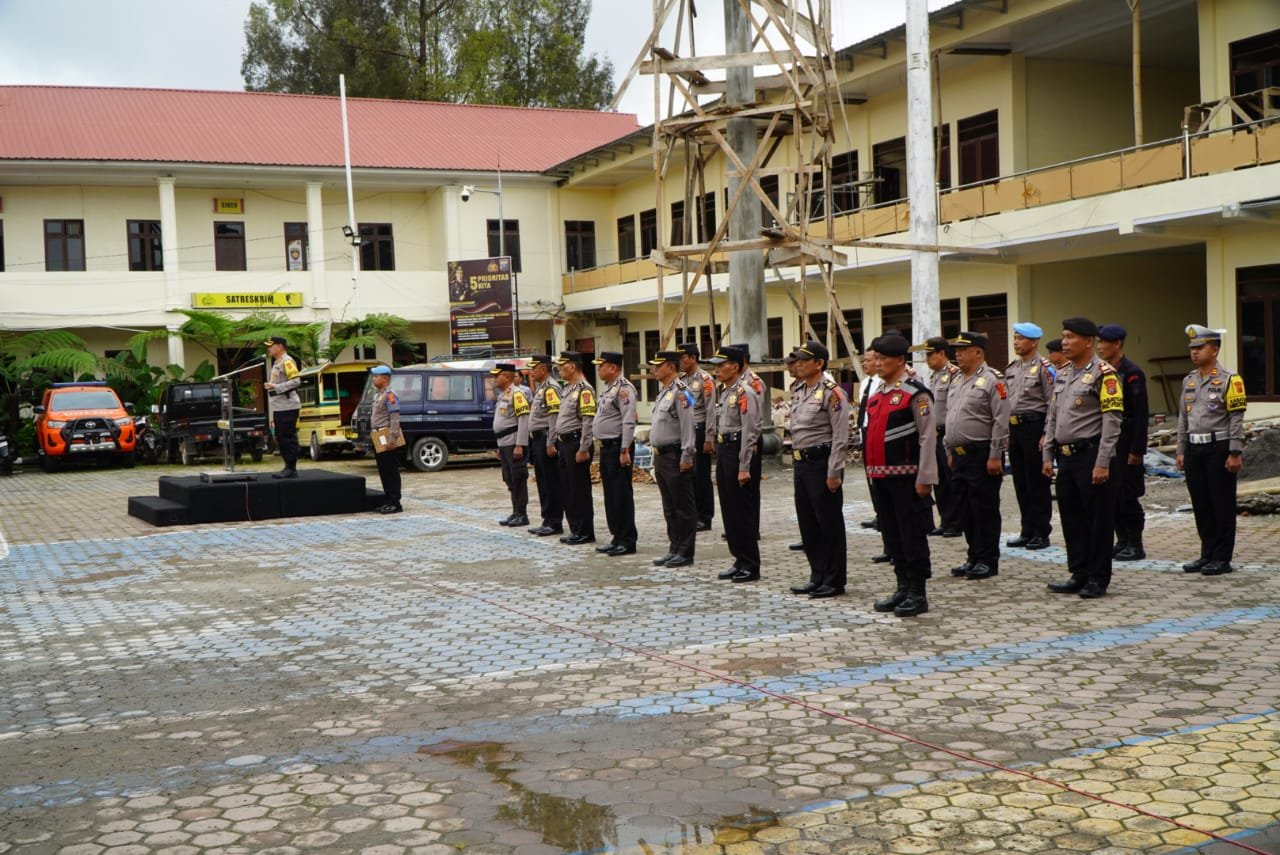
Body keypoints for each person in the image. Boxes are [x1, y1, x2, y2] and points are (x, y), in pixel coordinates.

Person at [1042, 317, 1123, 599]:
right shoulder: (1063, 374)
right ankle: (1079, 572)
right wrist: (1047, 454)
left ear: (1088, 342)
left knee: (1097, 520)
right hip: (1066, 458)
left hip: (1091, 455)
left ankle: (1097, 578)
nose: (1064, 342)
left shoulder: (1105, 373)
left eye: (1070, 337)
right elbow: (1053, 417)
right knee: (1072, 518)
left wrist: (1103, 462)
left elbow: (1112, 422)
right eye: (1063, 336)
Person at [864, 334, 938, 617]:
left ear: (899, 360)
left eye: (883, 359)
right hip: (881, 478)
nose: (878, 363)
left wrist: (925, 477)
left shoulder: (915, 393)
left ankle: (918, 592)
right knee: (892, 535)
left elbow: (928, 436)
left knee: (912, 534)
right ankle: (902, 586)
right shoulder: (879, 394)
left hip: (907, 478)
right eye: (877, 358)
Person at [1177, 324, 1247, 576]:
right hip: (1195, 448)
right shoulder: (1189, 380)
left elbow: (1236, 418)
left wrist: (1235, 451)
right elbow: (1183, 418)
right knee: (1201, 503)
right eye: (1192, 348)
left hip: (1219, 447)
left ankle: (1222, 557)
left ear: (1214, 349)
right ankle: (1207, 553)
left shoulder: (1230, 380)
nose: (1194, 352)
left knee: (1221, 504)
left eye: (1200, 347)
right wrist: (1180, 450)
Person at [786, 341, 850, 599]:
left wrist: (835, 471)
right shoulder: (800, 389)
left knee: (829, 523)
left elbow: (840, 437)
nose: (798, 364)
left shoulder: (832, 393)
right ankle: (818, 574)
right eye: (797, 360)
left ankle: (834, 580)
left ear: (819, 363)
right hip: (802, 463)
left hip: (822, 463)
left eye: (804, 360)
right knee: (808, 522)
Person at [944, 331, 1010, 580]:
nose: (957, 354)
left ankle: (988, 559)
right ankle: (973, 556)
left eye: (963, 350)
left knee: (984, 508)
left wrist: (995, 454)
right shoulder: (957, 380)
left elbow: (1001, 421)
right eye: (956, 350)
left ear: (978, 353)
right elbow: (950, 416)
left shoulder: (994, 380)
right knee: (965, 508)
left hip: (982, 453)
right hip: (959, 456)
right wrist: (949, 449)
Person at [706, 346, 763, 582]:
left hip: (739, 451)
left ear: (736, 367)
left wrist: (744, 466)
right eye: (716, 365)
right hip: (725, 452)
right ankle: (738, 559)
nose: (717, 369)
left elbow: (751, 431)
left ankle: (750, 563)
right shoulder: (724, 391)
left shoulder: (744, 392)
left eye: (722, 365)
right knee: (729, 511)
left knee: (742, 513)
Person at [1097, 325, 1149, 561]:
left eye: (1103, 342)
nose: (1099, 346)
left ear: (1117, 344)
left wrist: (1137, 449)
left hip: (1127, 439)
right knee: (1112, 494)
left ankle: (1135, 544)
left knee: (1128, 494)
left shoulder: (1131, 372)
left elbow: (1139, 414)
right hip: (1109, 439)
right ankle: (1121, 540)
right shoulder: (1104, 371)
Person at [1005, 322, 1055, 551]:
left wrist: (1047, 433)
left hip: (1034, 428)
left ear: (1033, 342)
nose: (1016, 342)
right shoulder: (1012, 368)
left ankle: (1041, 532)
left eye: (1020, 338)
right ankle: (1027, 530)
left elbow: (1052, 404)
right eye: (1015, 337)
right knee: (1021, 482)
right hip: (1015, 429)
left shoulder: (1045, 367)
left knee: (1037, 483)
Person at [648, 351, 698, 567]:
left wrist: (687, 454)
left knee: (682, 506)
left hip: (675, 455)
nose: (654, 370)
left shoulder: (681, 393)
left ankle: (685, 552)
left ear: (670, 367)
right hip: (661, 457)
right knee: (669, 506)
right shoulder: (663, 393)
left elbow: (688, 426)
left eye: (658, 366)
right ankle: (674, 547)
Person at [910, 336, 961, 538]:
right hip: (935, 434)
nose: (928, 359)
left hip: (948, 434)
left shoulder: (954, 374)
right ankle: (946, 519)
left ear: (942, 354)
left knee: (951, 480)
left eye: (931, 354)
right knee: (939, 480)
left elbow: (952, 407)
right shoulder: (934, 376)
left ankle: (956, 522)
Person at [591, 351, 639, 556]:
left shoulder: (624, 389)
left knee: (621, 495)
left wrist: (624, 448)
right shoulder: (609, 389)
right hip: (606, 447)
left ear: (613, 368)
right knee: (611, 495)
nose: (598, 369)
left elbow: (628, 420)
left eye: (601, 365)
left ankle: (627, 540)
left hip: (618, 446)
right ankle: (616, 536)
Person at [550, 352, 596, 545]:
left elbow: (587, 421)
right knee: (568, 489)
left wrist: (584, 447)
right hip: (564, 443)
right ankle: (575, 528)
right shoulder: (568, 389)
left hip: (576, 443)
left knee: (579, 490)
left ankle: (585, 531)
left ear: (573, 366)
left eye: (562, 366)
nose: (559, 369)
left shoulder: (585, 390)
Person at [677, 342, 717, 531]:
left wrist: (710, 437)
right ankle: (693, 513)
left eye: (683, 357)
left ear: (693, 358)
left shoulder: (705, 379)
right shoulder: (682, 379)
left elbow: (710, 411)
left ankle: (705, 516)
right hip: (687, 430)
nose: (680, 361)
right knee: (689, 474)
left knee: (702, 475)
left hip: (700, 430)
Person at [856, 348, 890, 562]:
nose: (866, 364)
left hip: (881, 438)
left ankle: (888, 530)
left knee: (885, 488)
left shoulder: (884, 383)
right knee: (873, 484)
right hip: (866, 436)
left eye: (869, 360)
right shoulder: (866, 383)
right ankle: (880, 515)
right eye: (865, 360)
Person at [525, 355, 565, 536]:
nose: (531, 372)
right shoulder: (542, 388)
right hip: (537, 439)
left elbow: (553, 417)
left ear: (543, 369)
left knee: (551, 482)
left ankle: (554, 521)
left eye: (534, 368)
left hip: (545, 439)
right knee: (542, 481)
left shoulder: (551, 388)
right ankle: (547, 519)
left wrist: (551, 441)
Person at [491, 363, 531, 527]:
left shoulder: (517, 394)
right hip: (504, 443)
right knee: (509, 478)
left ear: (506, 377)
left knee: (518, 478)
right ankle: (515, 511)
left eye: (497, 376)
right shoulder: (503, 395)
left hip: (514, 442)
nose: (494, 379)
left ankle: (522, 514)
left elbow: (523, 419)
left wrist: (520, 444)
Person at [263, 336, 302, 479]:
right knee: (280, 437)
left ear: (279, 347)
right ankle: (287, 466)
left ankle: (291, 468)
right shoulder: (276, 362)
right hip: (279, 406)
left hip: (288, 405)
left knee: (287, 437)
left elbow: (296, 381)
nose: (269, 348)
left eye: (271, 346)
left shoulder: (287, 361)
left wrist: (276, 387)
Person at [367, 365, 404, 514]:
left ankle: (395, 502)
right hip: (378, 436)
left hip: (386, 435)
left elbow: (394, 418)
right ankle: (388, 499)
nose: (374, 379)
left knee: (390, 470)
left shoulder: (390, 396)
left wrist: (392, 439)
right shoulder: (378, 395)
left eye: (376, 376)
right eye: (373, 376)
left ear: (385, 379)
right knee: (383, 470)